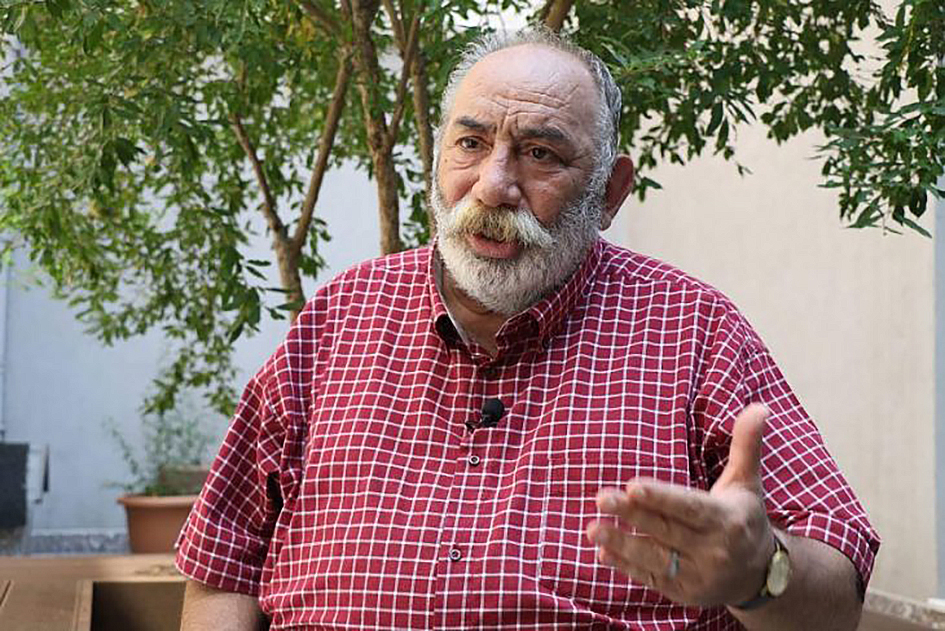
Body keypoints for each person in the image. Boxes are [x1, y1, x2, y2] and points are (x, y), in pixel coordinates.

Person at [176, 29, 879, 630]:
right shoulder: (339, 318)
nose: (492, 185)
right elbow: (222, 565)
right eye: (470, 143)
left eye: (540, 153)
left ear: (610, 192)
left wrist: (758, 573)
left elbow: (838, 591)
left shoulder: (693, 330)